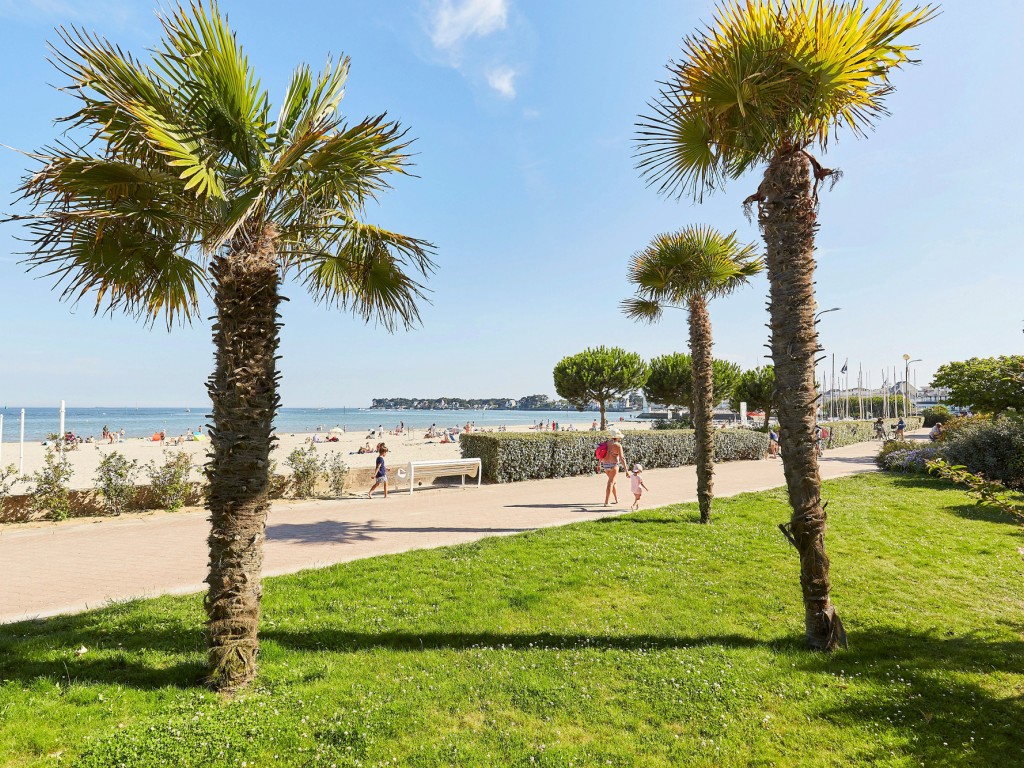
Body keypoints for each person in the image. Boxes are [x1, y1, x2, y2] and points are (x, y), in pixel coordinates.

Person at [597, 428, 628, 506]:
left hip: (605, 465)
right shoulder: (618, 445)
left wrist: (599, 464)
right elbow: (622, 458)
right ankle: (606, 502)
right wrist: (626, 470)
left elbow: (601, 454)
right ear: (617, 437)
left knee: (613, 482)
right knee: (610, 483)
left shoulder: (605, 443)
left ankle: (616, 499)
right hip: (613, 465)